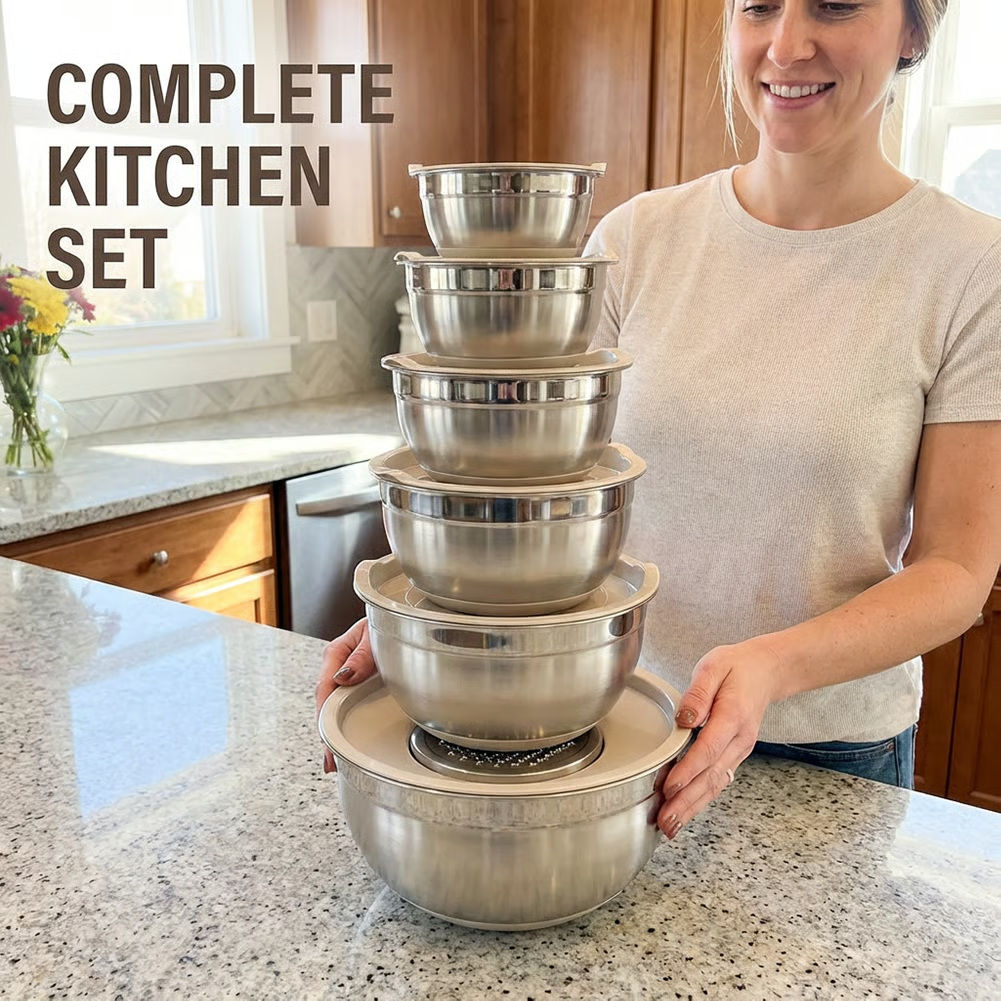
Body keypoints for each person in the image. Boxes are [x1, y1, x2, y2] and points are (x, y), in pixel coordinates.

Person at [317, 0, 1001, 840]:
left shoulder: (972, 268)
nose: (785, 44)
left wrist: (769, 664)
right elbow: (542, 481)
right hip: (614, 717)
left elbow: (955, 572)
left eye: (833, 4)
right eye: (757, 7)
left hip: (823, 754)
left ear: (913, 32)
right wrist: (431, 609)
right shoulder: (637, 238)